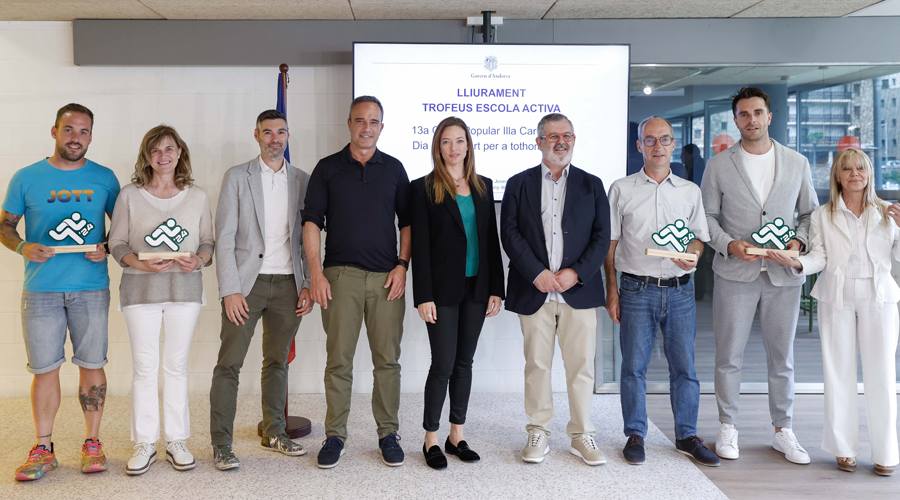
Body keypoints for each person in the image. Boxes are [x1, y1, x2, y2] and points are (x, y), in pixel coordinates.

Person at [1, 103, 120, 480]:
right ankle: (43, 447)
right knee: (45, 369)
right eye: (69, 130)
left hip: (90, 288)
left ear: (90, 136)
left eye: (84, 132)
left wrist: (105, 246)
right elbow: (5, 226)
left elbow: (123, 230)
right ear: (54, 132)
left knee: (92, 366)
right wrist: (22, 246)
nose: (76, 138)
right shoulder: (26, 177)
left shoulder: (105, 178)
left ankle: (92, 443)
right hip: (42, 291)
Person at [700, 87, 819, 464]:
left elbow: (809, 215)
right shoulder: (719, 164)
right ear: (735, 120)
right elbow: (707, 217)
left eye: (757, 112)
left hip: (783, 275)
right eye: (743, 114)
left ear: (769, 116)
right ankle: (727, 425)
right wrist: (728, 244)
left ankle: (783, 429)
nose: (751, 119)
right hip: (736, 271)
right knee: (728, 356)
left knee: (781, 358)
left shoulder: (796, 162)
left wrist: (798, 244)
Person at [768, 149, 899, 476]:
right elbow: (820, 257)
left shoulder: (888, 213)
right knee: (837, 373)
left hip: (878, 297)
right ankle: (844, 449)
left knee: (881, 374)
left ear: (868, 173)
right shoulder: (822, 215)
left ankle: (885, 453)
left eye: (860, 168)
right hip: (836, 296)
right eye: (847, 169)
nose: (855, 173)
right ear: (838, 176)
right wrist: (797, 262)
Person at [303, 95, 411, 469]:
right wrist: (315, 274)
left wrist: (402, 266)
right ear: (349, 124)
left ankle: (388, 434)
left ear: (382, 126)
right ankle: (335, 435)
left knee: (387, 362)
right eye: (360, 121)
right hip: (340, 278)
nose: (367, 128)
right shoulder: (327, 169)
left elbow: (408, 224)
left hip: (386, 280)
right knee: (339, 362)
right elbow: (312, 223)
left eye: (374, 122)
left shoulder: (395, 169)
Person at [604, 116, 718, 467]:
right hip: (636, 289)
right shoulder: (621, 189)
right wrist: (612, 289)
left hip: (681, 291)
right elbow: (610, 245)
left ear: (672, 144)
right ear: (639, 146)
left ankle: (686, 435)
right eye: (649, 140)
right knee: (633, 368)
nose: (657, 146)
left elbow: (699, 237)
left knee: (685, 368)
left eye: (664, 140)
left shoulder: (689, 191)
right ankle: (635, 434)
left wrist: (694, 255)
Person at [500, 113, 610, 466]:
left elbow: (601, 237)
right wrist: (538, 273)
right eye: (552, 136)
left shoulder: (592, 185)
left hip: (578, 291)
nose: (560, 141)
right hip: (536, 292)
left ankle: (582, 433)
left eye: (567, 135)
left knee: (581, 368)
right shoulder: (518, 184)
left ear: (574, 140)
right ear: (539, 142)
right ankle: (539, 431)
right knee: (537, 365)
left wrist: (575, 273)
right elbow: (510, 234)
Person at [209, 109, 314, 471]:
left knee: (277, 362)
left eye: (281, 132)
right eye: (267, 132)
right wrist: (230, 290)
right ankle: (222, 443)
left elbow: (308, 239)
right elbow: (223, 238)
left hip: (288, 284)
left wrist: (308, 284)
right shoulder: (238, 177)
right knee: (229, 365)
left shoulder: (301, 179)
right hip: (246, 286)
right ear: (256, 136)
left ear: (288, 136)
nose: (275, 139)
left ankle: (274, 432)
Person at [108, 125, 214, 475]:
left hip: (184, 289)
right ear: (147, 156)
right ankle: (144, 442)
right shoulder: (129, 195)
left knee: (176, 365)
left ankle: (177, 440)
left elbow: (207, 244)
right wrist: (139, 263)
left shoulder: (197, 196)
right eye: (155, 150)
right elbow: (117, 243)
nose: (163, 156)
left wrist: (198, 260)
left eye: (169, 149)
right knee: (144, 367)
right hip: (140, 289)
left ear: (180, 153)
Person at [410, 117, 505, 469]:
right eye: (446, 141)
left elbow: (490, 242)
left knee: (464, 363)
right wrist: (423, 295)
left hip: (477, 287)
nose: (453, 148)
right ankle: (430, 439)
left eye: (459, 141)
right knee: (443, 364)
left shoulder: (483, 186)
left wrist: (497, 288)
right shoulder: (423, 188)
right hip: (442, 290)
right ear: (438, 147)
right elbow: (420, 246)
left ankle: (456, 435)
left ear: (468, 145)